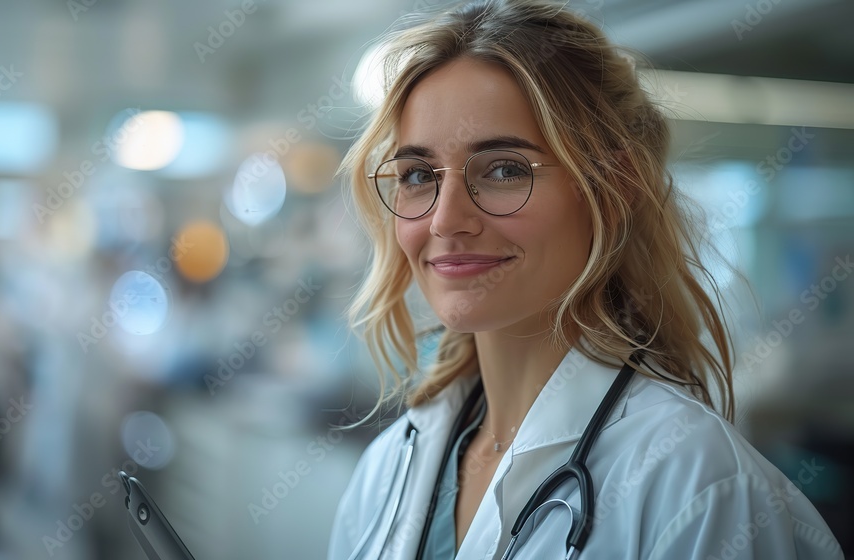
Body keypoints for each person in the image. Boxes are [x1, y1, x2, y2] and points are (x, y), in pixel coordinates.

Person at [326, 1, 844, 558]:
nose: (445, 219)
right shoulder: (388, 468)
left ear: (613, 188)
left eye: (504, 169)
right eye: (417, 175)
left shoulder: (700, 487)